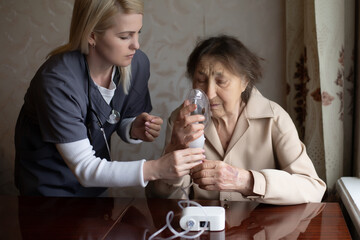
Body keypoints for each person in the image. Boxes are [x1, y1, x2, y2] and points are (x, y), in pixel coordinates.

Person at [14, 0, 205, 197]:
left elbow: (112, 118)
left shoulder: (137, 64)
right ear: (92, 35)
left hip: (95, 192)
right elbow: (85, 169)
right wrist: (156, 168)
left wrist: (131, 128)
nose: (136, 45)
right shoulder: (58, 82)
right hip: (47, 195)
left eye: (138, 32)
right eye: (124, 36)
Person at [147, 35, 326, 205]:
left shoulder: (274, 119)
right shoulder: (183, 121)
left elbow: (312, 188)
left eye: (221, 81)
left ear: (244, 81)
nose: (209, 93)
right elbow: (164, 200)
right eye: (200, 80)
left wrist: (246, 181)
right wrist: (173, 159)